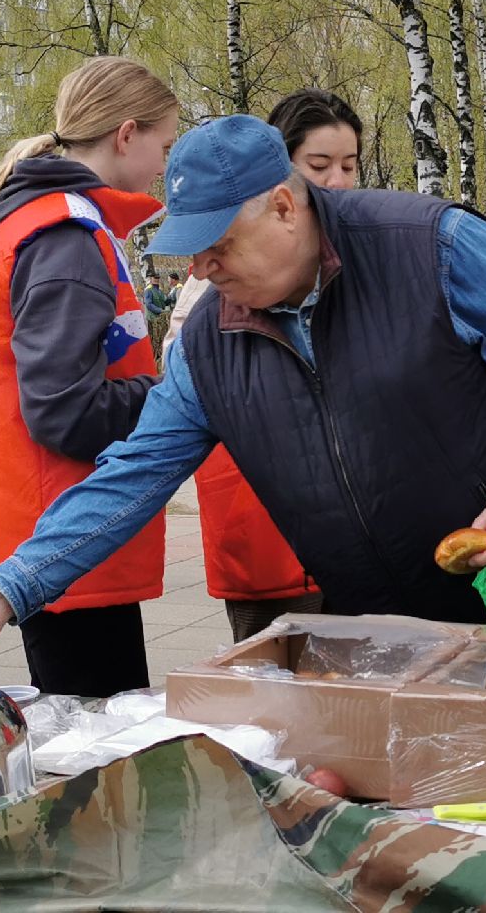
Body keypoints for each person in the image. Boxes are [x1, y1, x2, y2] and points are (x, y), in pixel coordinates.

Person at [0, 114, 486, 664]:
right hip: (387, 619)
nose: (201, 267)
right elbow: (129, 476)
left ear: (283, 206)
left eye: (218, 245)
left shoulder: (430, 243)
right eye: (190, 249)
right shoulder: (207, 345)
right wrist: (8, 590)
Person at [0, 56, 177, 697]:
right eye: (163, 143)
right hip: (62, 529)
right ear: (126, 134)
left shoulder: (45, 222)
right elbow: (65, 410)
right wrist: (172, 394)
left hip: (47, 525)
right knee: (97, 747)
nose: (164, 163)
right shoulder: (65, 235)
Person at [169, 88, 359, 641]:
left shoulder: (387, 260)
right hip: (261, 533)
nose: (338, 182)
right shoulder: (213, 300)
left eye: (350, 165)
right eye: (319, 165)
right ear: (282, 190)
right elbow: (169, 426)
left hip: (350, 545)